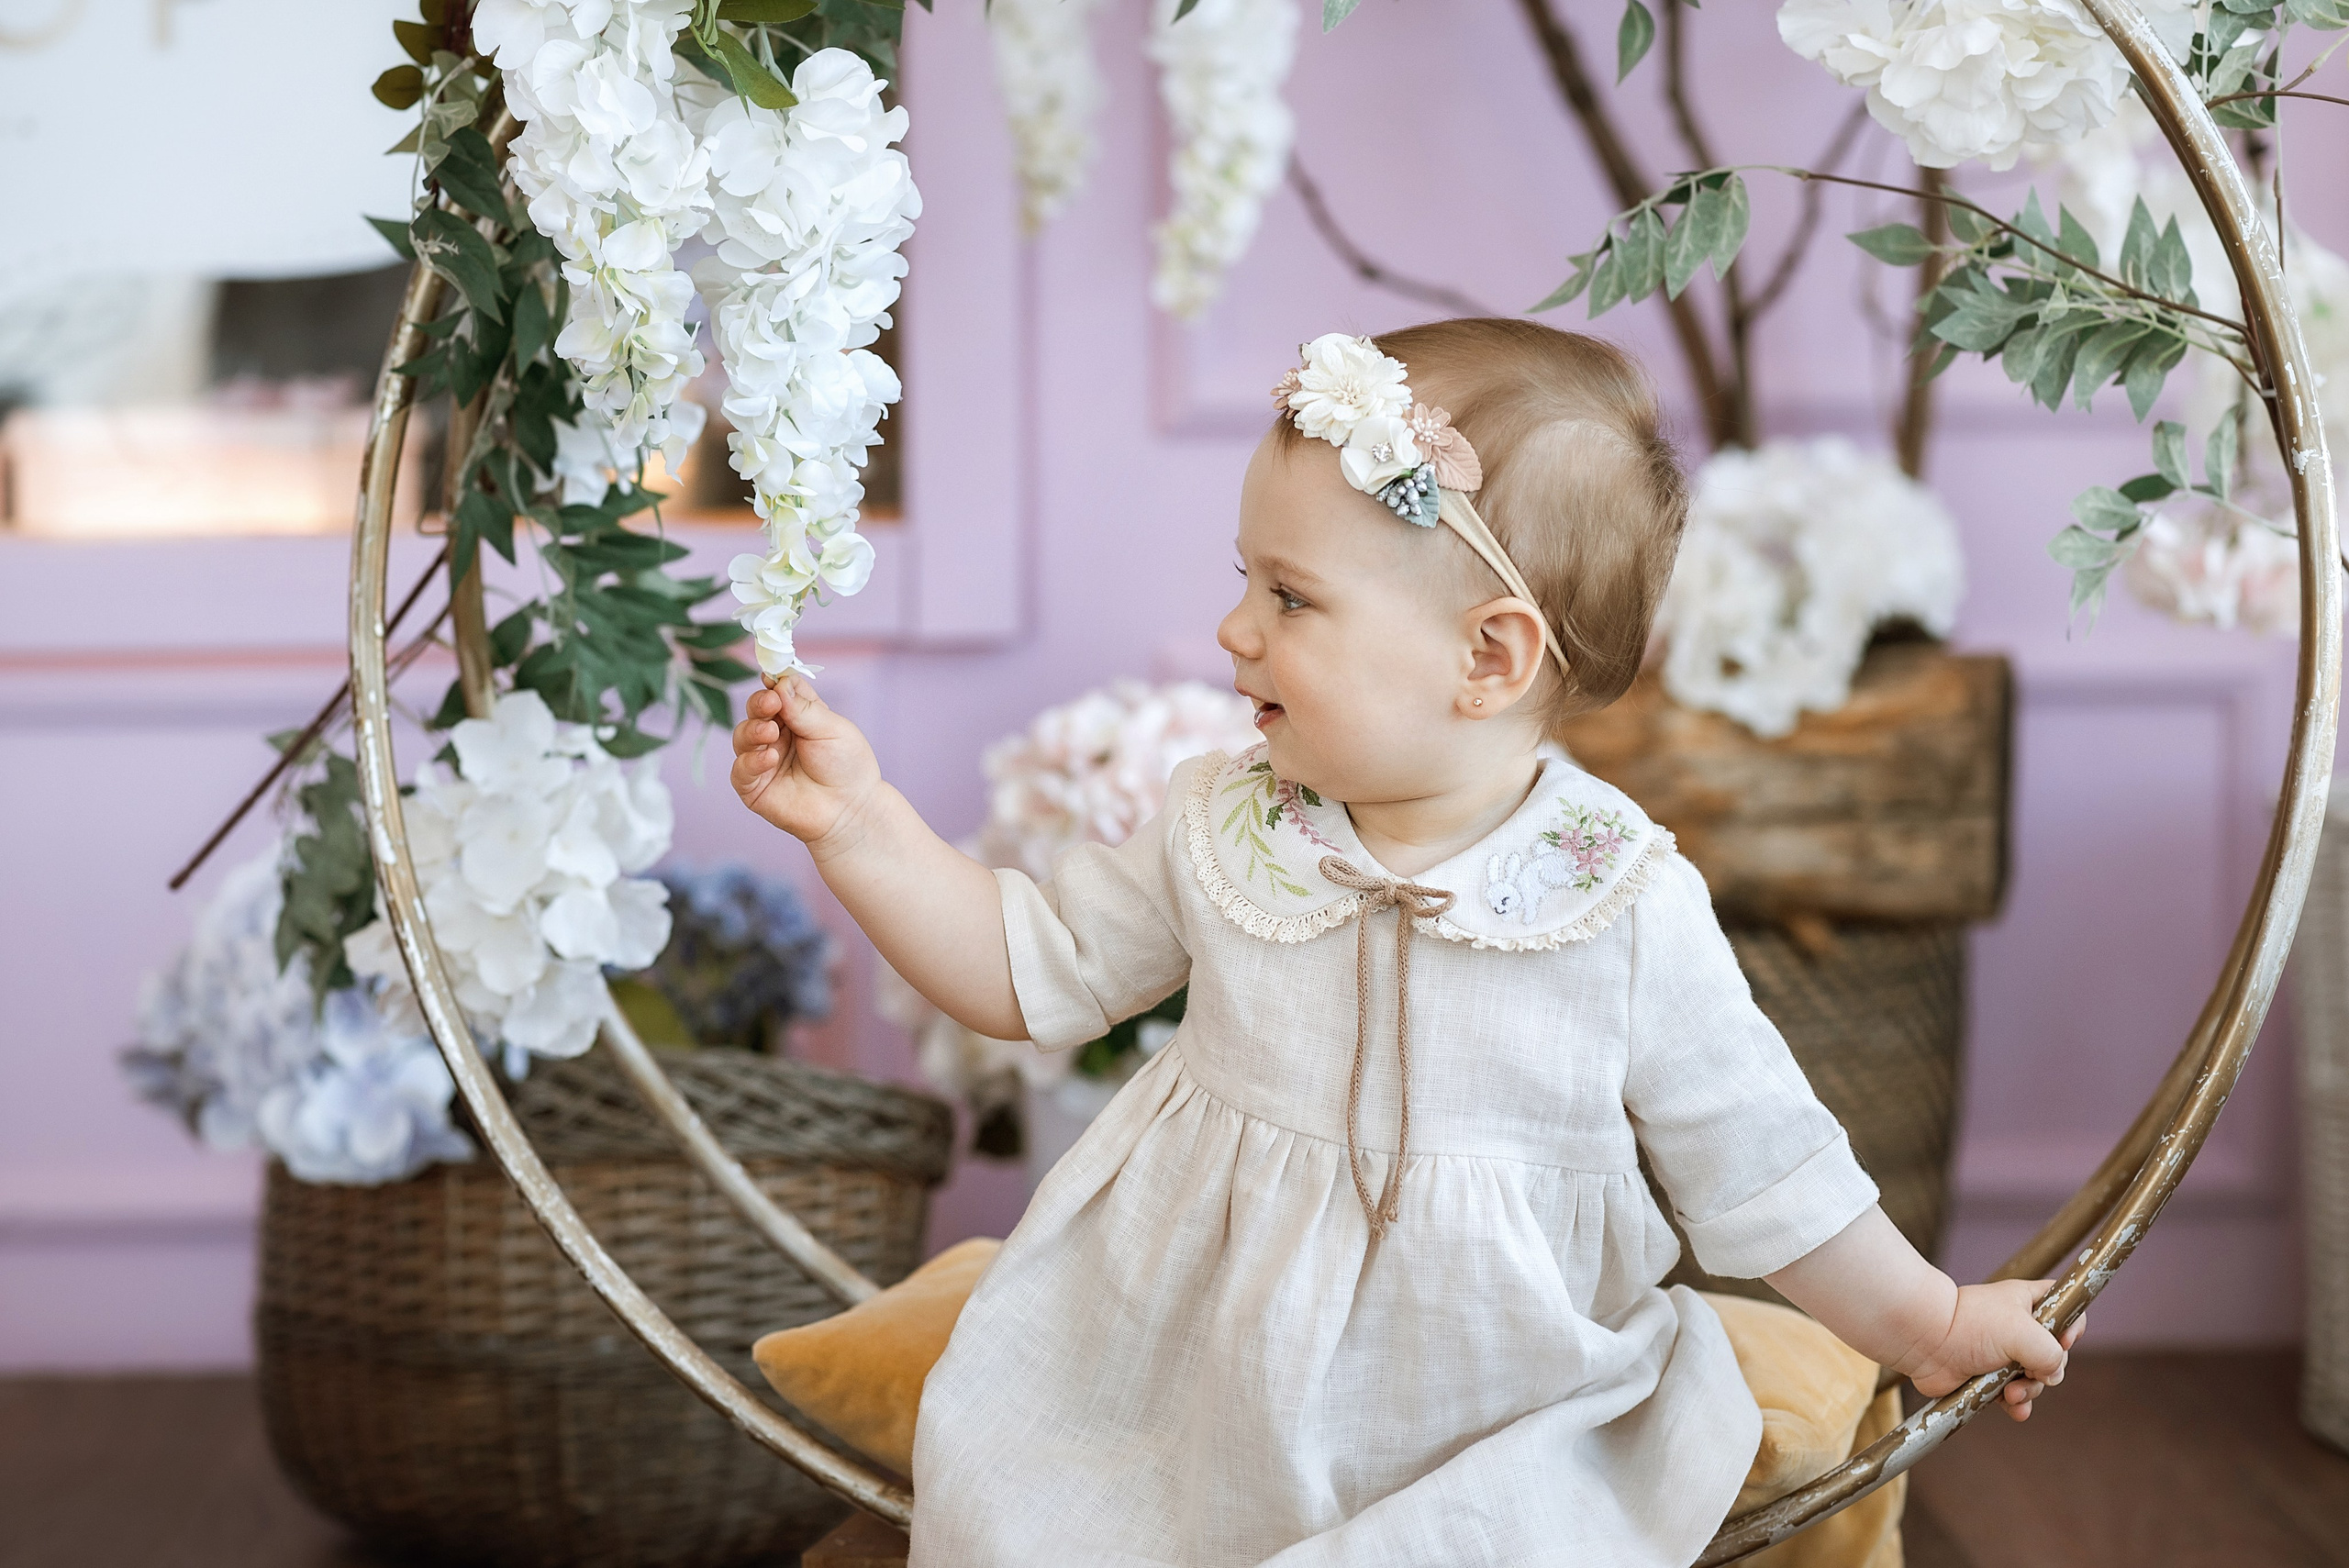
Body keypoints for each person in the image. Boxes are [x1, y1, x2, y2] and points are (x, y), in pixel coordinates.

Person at [729, 318, 2083, 1567]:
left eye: (1291, 596)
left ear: (1489, 657)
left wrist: (1933, 1320)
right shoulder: (1230, 822)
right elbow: (1027, 966)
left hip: (1500, 1396)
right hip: (1191, 1364)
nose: (1233, 627)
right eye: (1242, 578)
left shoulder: (1615, 896)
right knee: (1059, 1505)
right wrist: (859, 824)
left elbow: (1770, 1165)